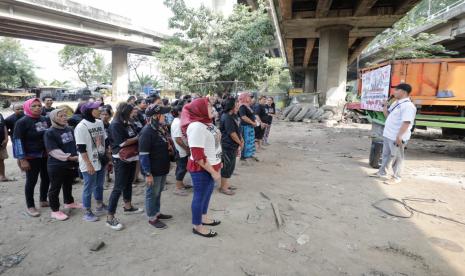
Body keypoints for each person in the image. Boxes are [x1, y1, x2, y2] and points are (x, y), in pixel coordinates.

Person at [182, 98, 222, 238]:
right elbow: (198, 156)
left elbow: (213, 145)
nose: (213, 109)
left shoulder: (207, 123)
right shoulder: (196, 127)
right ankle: (197, 225)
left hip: (212, 165)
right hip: (202, 169)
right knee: (200, 196)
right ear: (201, 110)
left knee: (207, 194)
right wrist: (213, 172)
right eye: (209, 107)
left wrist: (218, 164)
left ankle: (204, 217)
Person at [371, 83, 417, 185]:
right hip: (388, 134)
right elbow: (388, 116)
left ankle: (396, 177)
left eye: (396, 90)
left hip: (397, 136)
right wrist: (385, 106)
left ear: (403, 92)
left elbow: (406, 122)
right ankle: (382, 172)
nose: (394, 92)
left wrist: (399, 136)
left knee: (397, 157)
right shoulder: (396, 103)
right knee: (386, 155)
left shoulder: (408, 106)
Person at [107, 103, 143, 231]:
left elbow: (131, 136)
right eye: (131, 112)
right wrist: (139, 137)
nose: (133, 114)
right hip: (121, 159)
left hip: (131, 157)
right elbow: (122, 142)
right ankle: (110, 217)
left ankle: (128, 206)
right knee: (118, 187)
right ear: (124, 112)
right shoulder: (116, 124)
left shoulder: (127, 122)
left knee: (128, 182)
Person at [13, 98, 50, 217]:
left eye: (39, 105)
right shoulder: (22, 122)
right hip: (31, 156)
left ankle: (43, 199)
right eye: (34, 106)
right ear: (27, 107)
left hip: (45, 155)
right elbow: (17, 141)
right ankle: (30, 206)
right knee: (31, 181)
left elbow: (48, 135)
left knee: (46, 178)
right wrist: (22, 159)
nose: (37, 108)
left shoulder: (44, 119)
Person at [139, 104, 173, 229]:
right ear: (155, 116)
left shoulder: (158, 129)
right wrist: (148, 173)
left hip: (161, 168)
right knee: (152, 193)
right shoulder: (147, 132)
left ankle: (157, 212)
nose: (166, 116)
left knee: (158, 192)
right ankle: (151, 217)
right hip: (153, 170)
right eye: (163, 114)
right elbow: (143, 155)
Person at [75, 102, 110, 222]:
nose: (99, 110)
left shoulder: (99, 122)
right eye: (96, 109)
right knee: (88, 187)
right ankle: (87, 211)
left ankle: (99, 205)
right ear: (89, 111)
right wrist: (88, 164)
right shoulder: (81, 127)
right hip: (89, 162)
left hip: (100, 159)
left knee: (99, 185)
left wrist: (107, 154)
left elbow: (105, 139)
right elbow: (81, 148)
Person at [44, 109, 82, 221]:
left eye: (65, 115)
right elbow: (53, 151)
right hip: (56, 164)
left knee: (68, 183)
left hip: (71, 162)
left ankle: (69, 202)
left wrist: (77, 155)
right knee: (55, 188)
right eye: (61, 116)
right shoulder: (49, 132)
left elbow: (74, 143)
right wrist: (69, 157)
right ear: (54, 118)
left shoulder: (69, 128)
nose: (64, 118)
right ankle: (55, 210)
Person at [219, 97, 243, 195]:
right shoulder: (226, 117)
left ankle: (226, 184)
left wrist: (241, 140)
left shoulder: (233, 115)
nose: (238, 105)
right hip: (228, 145)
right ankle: (223, 188)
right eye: (236, 103)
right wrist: (240, 143)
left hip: (233, 145)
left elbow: (237, 130)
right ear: (231, 106)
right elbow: (232, 133)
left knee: (231, 166)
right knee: (227, 166)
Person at [171, 101, 191, 196]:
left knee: (182, 167)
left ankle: (181, 183)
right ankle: (178, 187)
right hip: (180, 149)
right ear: (179, 112)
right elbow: (178, 139)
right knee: (182, 167)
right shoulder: (177, 123)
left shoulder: (179, 121)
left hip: (182, 149)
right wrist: (186, 148)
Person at [238, 92, 259, 162]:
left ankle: (249, 154)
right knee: (245, 141)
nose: (250, 98)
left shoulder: (248, 106)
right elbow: (243, 117)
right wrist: (252, 122)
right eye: (249, 97)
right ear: (244, 97)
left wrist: (255, 121)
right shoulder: (242, 106)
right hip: (245, 127)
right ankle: (243, 157)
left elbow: (252, 115)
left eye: (250, 97)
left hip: (250, 126)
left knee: (250, 141)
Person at [100, 106, 114, 185]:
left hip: (109, 145)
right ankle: (104, 177)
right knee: (105, 161)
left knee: (109, 161)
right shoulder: (98, 124)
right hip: (102, 146)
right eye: (102, 114)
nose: (104, 116)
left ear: (109, 116)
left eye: (106, 114)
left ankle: (108, 175)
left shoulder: (110, 125)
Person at [0, 112, 11, 182]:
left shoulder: (0, 114)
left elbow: (4, 126)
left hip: (2, 141)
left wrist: (6, 138)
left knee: (1, 159)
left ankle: (2, 176)